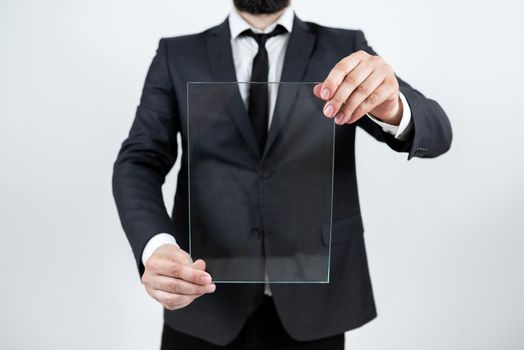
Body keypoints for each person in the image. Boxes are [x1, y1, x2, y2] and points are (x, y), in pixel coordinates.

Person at [112, 0, 452, 349]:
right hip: (202, 297)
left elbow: (438, 133)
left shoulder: (344, 48)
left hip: (313, 306)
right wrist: (157, 246)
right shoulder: (178, 54)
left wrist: (393, 106)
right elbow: (139, 162)